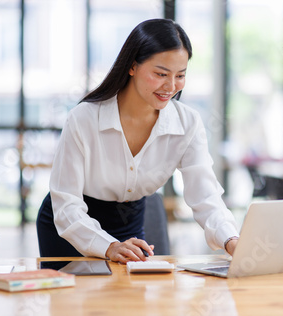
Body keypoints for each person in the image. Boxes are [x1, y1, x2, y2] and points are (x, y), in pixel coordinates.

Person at [36, 19, 239, 264]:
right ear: (132, 66)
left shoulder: (187, 123)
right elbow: (66, 204)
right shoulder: (83, 119)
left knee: (131, 300)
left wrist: (231, 240)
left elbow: (205, 195)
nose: (171, 86)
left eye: (180, 75)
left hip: (128, 233)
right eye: (160, 74)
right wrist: (108, 245)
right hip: (70, 230)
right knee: (77, 301)